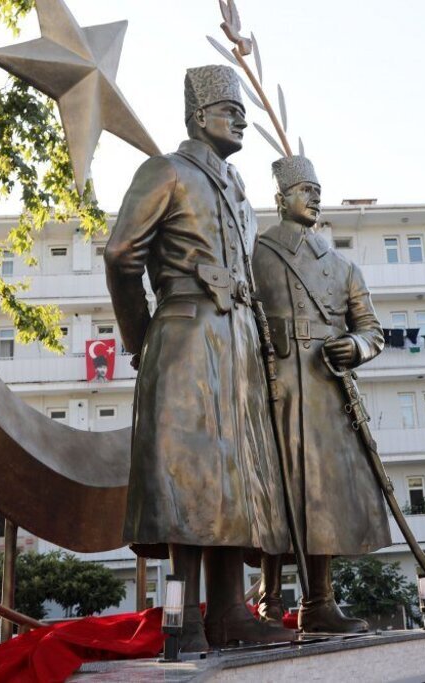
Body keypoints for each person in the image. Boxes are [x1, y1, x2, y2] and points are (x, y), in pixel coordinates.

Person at [105, 64, 292, 651]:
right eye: (229, 111)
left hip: (238, 342)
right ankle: (182, 618)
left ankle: (230, 611)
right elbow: (120, 254)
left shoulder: (240, 194)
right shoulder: (166, 170)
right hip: (185, 333)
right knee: (185, 472)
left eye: (243, 113)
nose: (241, 121)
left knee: (234, 473)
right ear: (197, 116)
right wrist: (141, 337)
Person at [251, 155, 391, 633]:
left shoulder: (343, 266)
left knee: (322, 492)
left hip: (327, 392)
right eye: (304, 190)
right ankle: (269, 601)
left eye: (317, 190)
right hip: (273, 387)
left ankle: (320, 601)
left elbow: (372, 331)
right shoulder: (254, 254)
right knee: (274, 489)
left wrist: (354, 346)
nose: (313, 197)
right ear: (280, 199)